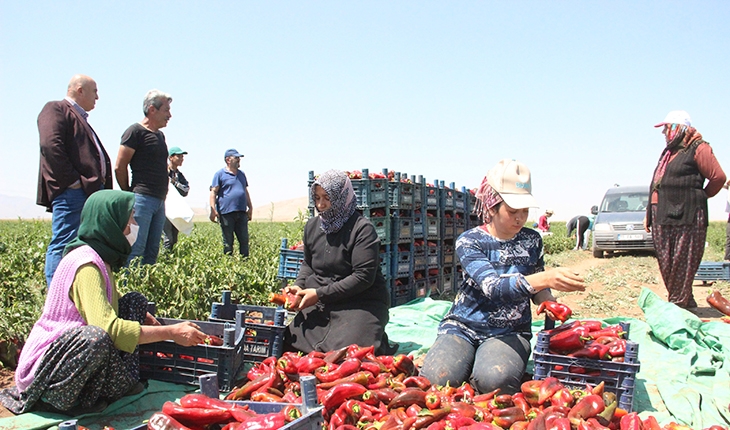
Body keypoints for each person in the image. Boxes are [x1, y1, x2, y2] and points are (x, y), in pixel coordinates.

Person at [0, 190, 206, 415]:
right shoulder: (86, 265)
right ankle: (51, 400)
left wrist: (146, 319)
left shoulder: (101, 258)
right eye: (130, 220)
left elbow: (110, 304)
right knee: (96, 337)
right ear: (111, 222)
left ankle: (113, 385)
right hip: (47, 370)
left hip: (71, 353)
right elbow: (108, 329)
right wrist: (171, 332)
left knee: (134, 302)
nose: (134, 226)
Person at [420, 159, 586, 395]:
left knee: (495, 381)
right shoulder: (471, 241)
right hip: (464, 326)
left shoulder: (532, 240)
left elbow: (537, 286)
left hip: (510, 331)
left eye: (525, 211)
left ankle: (480, 373)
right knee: (437, 379)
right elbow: (493, 288)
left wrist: (547, 300)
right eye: (512, 211)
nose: (520, 218)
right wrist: (546, 279)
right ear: (491, 208)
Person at [283, 169, 397, 356]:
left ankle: (375, 334)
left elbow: (363, 277)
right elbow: (308, 265)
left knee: (352, 352)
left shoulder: (362, 230)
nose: (321, 204)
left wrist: (319, 294)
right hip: (323, 303)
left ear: (342, 196)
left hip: (359, 302)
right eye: (317, 197)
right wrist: (299, 286)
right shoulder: (313, 226)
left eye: (327, 198)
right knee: (290, 342)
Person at [644, 110, 726, 309]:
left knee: (682, 262)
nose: (663, 132)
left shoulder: (699, 148)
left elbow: (718, 178)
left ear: (678, 128)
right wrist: (649, 214)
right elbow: (657, 183)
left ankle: (678, 306)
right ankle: (685, 301)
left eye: (666, 127)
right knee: (667, 263)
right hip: (663, 214)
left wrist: (700, 196)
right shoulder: (669, 152)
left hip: (688, 214)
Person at [37, 74, 113, 286]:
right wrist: (73, 182)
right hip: (73, 192)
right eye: (94, 91)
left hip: (86, 193)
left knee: (80, 246)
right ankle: (57, 296)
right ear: (80, 90)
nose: (97, 97)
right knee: (64, 242)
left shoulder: (81, 119)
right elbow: (51, 147)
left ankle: (73, 293)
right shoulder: (56, 108)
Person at [115, 90, 173, 265]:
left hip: (159, 200)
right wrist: (128, 195)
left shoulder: (160, 136)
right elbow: (120, 166)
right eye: (166, 110)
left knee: (152, 251)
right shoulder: (135, 132)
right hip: (141, 199)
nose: (169, 115)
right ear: (152, 110)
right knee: (136, 250)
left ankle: (145, 290)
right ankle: (129, 290)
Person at [209, 149, 253, 256]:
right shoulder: (220, 174)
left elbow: (245, 191)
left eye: (239, 158)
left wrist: (250, 207)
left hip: (241, 212)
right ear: (228, 160)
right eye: (236, 158)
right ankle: (228, 264)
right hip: (226, 212)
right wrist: (213, 210)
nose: (239, 160)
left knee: (244, 240)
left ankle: (245, 263)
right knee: (228, 242)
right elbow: (213, 192)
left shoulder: (241, 174)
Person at [162, 146, 190, 251]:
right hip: (165, 209)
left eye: (182, 156)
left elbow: (186, 190)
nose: (181, 159)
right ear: (171, 158)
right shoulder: (164, 172)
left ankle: (170, 260)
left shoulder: (179, 175)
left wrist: (175, 183)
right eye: (179, 156)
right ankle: (165, 261)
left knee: (174, 238)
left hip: (175, 210)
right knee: (167, 238)